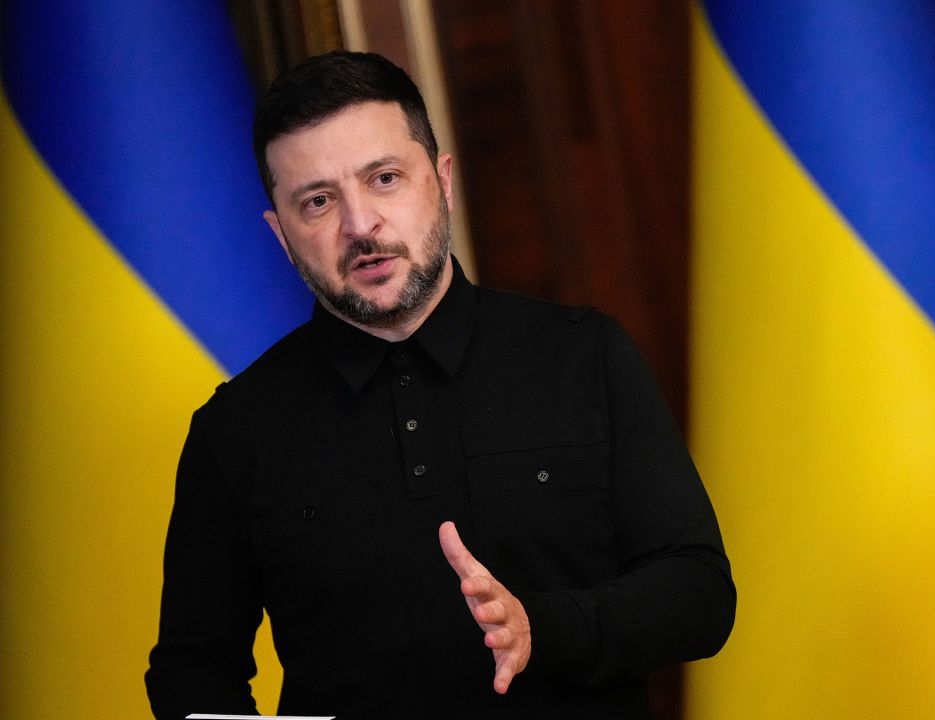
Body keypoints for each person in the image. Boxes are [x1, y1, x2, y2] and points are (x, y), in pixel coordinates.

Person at [144, 50, 734, 718]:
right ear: (281, 236)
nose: (359, 225)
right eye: (318, 201)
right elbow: (193, 669)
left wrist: (544, 628)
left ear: (442, 180)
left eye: (385, 178)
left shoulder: (583, 356)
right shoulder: (235, 431)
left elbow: (700, 594)